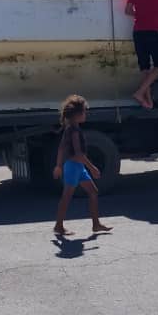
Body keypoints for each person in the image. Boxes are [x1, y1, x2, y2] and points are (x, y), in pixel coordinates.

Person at [52, 95, 113, 236]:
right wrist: (92, 168)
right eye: (84, 112)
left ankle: (96, 224)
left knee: (93, 192)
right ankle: (58, 226)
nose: (86, 114)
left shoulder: (70, 128)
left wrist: (58, 166)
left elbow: (61, 148)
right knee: (67, 196)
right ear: (77, 114)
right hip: (74, 166)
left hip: (77, 167)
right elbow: (78, 154)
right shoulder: (74, 131)